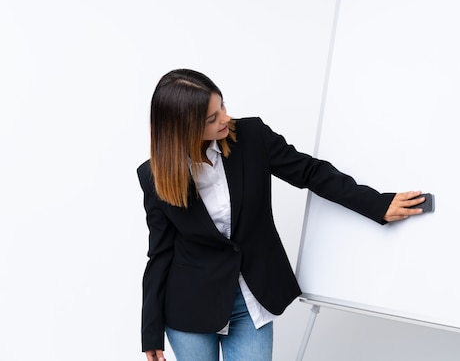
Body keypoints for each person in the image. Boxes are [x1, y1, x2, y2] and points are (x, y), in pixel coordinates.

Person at [138, 69, 426, 361]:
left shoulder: (250, 137)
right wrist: (151, 333)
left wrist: (377, 204)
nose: (225, 118)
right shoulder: (155, 177)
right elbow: (160, 255)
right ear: (182, 128)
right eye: (211, 119)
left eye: (221, 106)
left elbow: (309, 172)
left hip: (252, 299)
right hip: (190, 309)